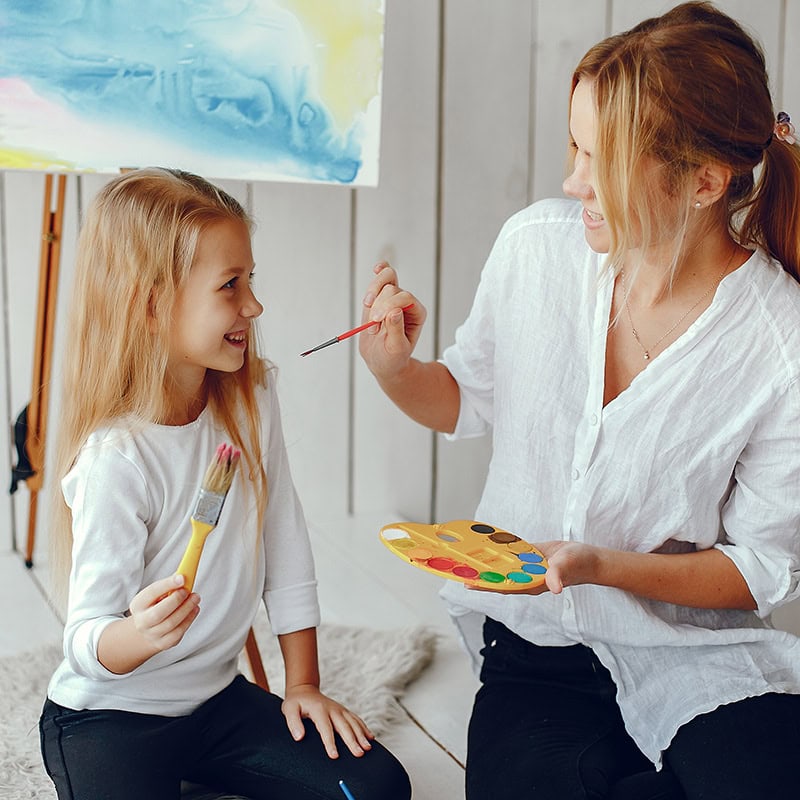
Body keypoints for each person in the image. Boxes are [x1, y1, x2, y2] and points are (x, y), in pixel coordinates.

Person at [358, 3, 800, 799]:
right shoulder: (534, 250)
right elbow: (464, 400)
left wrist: (603, 568)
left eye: (605, 159)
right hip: (536, 661)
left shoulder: (780, 339)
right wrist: (396, 369)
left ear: (704, 181)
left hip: (694, 654)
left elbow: (757, 569)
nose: (573, 182)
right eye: (576, 147)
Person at [39, 167, 411, 800]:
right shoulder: (117, 461)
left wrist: (302, 685)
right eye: (230, 285)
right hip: (108, 719)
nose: (254, 305)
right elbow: (85, 643)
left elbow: (286, 548)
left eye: (251, 280)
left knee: (375, 788)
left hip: (216, 703)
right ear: (152, 303)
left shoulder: (251, 400)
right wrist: (137, 635)